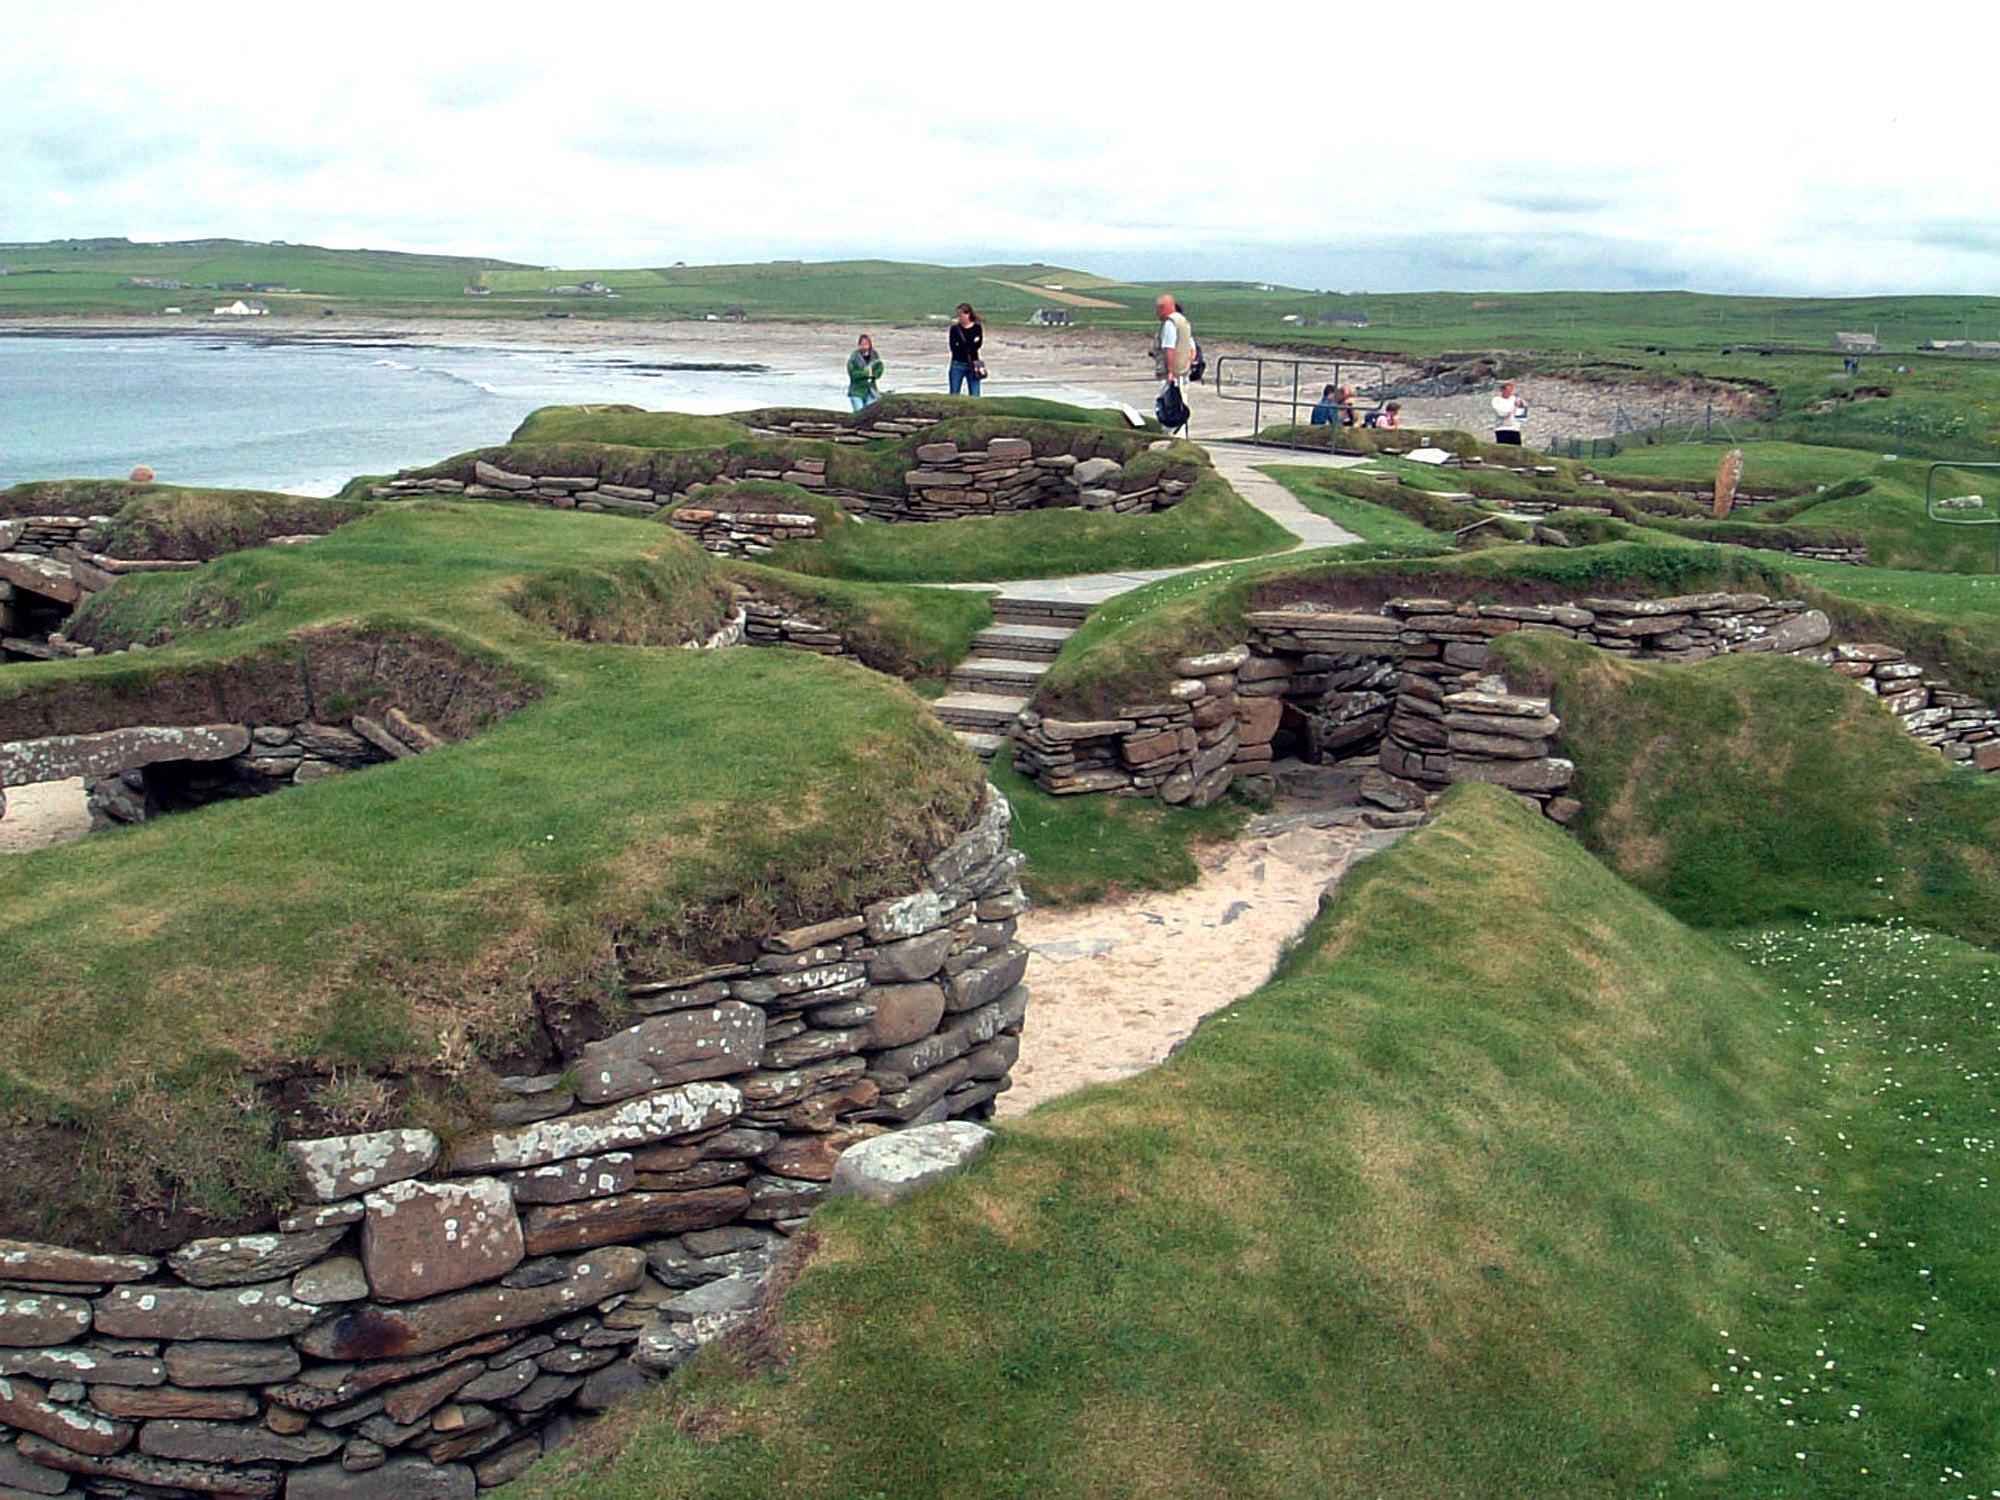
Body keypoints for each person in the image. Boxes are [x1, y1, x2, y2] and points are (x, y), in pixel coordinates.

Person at [1153, 293, 1195, 433]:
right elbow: (1192, 349)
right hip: (1183, 373)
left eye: (1158, 308)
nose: (1156, 312)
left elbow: (1169, 348)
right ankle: (1180, 436)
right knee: (1180, 406)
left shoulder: (1170, 323)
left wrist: (1170, 371)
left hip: (1172, 375)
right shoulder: (1183, 321)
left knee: (1170, 408)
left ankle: (1171, 438)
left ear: (1165, 308)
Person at [948, 303, 984, 396]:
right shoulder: (955, 329)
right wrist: (970, 344)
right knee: (954, 393)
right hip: (957, 364)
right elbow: (953, 347)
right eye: (958, 316)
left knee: (975, 393)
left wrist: (963, 345)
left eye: (961, 315)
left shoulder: (977, 328)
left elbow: (978, 344)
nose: (959, 318)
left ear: (968, 314)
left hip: (973, 364)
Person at [847, 334, 884, 411]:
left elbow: (880, 368)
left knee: (870, 414)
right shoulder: (854, 358)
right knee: (859, 414)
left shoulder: (874, 355)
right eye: (862, 344)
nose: (865, 346)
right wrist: (866, 373)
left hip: (871, 391)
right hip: (857, 392)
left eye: (867, 344)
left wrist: (874, 375)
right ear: (859, 345)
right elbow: (853, 374)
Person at [1491, 380, 1526, 446]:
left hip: (1515, 429)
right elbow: (1502, 413)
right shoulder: (1497, 400)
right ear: (1502, 390)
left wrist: (1521, 406)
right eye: (1508, 390)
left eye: (1511, 390)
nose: (1510, 393)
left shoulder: (1515, 399)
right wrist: (1513, 405)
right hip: (1502, 429)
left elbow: (1521, 416)